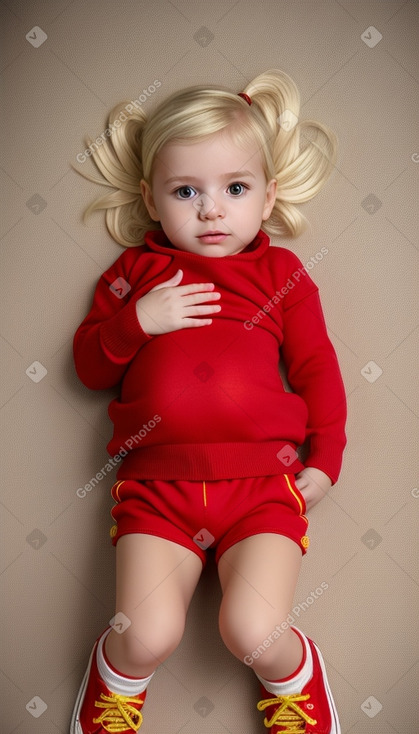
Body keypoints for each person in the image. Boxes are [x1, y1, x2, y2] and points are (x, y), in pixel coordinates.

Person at [70, 69, 346, 733]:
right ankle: (113, 682)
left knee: (250, 629)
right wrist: (137, 321)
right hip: (157, 486)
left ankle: (297, 678)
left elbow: (315, 366)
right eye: (185, 191)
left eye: (234, 189)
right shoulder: (134, 273)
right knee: (145, 636)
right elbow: (85, 365)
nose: (211, 210)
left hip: (261, 483)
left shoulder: (280, 274)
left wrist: (326, 457)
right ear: (151, 198)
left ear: (267, 195)